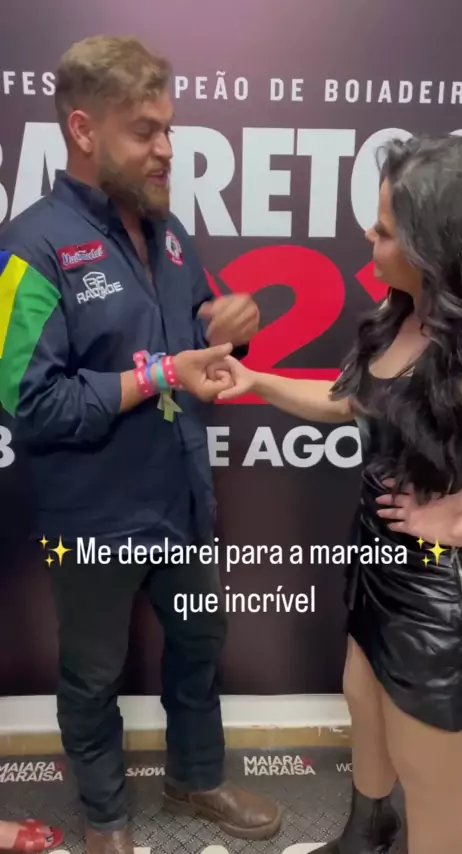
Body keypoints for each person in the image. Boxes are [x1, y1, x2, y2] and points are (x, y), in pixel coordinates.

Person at [0, 36, 282, 854]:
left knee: (199, 645)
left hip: (181, 500)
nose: (166, 148)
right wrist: (160, 373)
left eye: (169, 129)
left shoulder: (171, 232)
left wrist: (227, 328)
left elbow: (192, 339)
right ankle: (107, 819)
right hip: (91, 514)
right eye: (144, 131)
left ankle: (197, 778)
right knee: (92, 674)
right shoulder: (31, 246)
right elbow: (27, 401)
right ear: (84, 129)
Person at [218, 133, 462, 854]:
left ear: (433, 248)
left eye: (386, 229)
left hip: (441, 596)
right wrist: (256, 380)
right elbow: (348, 402)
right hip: (375, 560)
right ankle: (368, 834)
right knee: (363, 703)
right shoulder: (402, 314)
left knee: (427, 771)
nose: (369, 234)